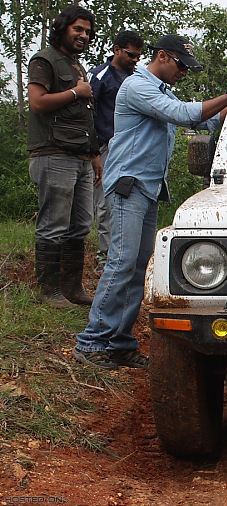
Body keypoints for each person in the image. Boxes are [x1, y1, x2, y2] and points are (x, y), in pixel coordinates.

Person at [73, 35, 227, 370]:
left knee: (136, 266)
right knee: (121, 261)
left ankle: (118, 342)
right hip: (129, 186)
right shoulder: (137, 87)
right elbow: (185, 114)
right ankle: (91, 341)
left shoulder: (160, 91)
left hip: (146, 188)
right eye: (181, 66)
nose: (184, 74)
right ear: (162, 56)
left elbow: (205, 120)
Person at [27, 5, 101, 308]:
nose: (83, 35)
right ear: (63, 28)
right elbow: (37, 102)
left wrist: (94, 154)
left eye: (87, 31)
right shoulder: (45, 60)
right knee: (54, 224)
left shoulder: (76, 65)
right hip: (53, 153)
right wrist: (75, 92)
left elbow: (85, 116)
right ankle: (49, 291)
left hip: (81, 156)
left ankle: (72, 288)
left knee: (81, 224)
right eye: (77, 29)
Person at [87, 30, 145, 273]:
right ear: (116, 49)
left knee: (132, 202)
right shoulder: (100, 76)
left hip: (134, 149)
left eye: (138, 56)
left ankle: (128, 257)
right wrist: (93, 152)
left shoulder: (138, 77)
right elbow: (87, 113)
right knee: (106, 203)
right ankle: (106, 256)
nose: (134, 60)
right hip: (106, 146)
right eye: (131, 54)